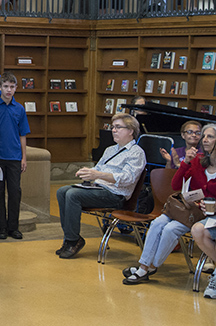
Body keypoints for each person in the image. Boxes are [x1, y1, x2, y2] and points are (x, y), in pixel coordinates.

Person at [123, 123, 216, 284]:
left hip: (202, 216)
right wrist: (186, 162)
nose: (204, 139)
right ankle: (143, 267)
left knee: (170, 229)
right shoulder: (198, 161)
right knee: (158, 223)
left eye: (210, 136)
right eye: (204, 136)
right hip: (186, 209)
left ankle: (150, 267)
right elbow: (175, 185)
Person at [55, 113, 146, 259]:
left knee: (73, 195)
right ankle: (69, 238)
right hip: (98, 188)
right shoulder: (110, 150)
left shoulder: (136, 153)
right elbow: (97, 169)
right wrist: (88, 173)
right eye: (113, 127)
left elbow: (128, 179)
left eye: (118, 127)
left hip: (115, 195)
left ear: (130, 131)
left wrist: (98, 175)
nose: (113, 130)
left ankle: (73, 241)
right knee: (62, 191)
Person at [0, 72, 29, 240]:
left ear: (16, 89)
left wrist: (24, 157)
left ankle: (14, 227)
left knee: (14, 192)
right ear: (0, 87)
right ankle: (1, 228)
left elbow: (23, 134)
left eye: (12, 87)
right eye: (5, 86)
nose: (8, 90)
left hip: (14, 157)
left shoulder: (19, 109)